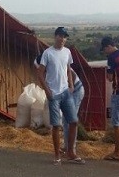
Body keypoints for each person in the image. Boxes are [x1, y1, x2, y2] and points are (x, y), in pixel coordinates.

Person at [36, 27, 84, 165]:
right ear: (55, 36)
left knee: (73, 122)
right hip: (54, 94)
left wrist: (71, 85)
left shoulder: (67, 52)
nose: (62, 39)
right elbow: (40, 73)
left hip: (66, 92)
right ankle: (57, 156)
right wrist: (47, 91)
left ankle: (71, 152)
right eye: (60, 36)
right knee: (56, 126)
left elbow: (68, 69)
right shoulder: (47, 53)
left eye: (65, 37)